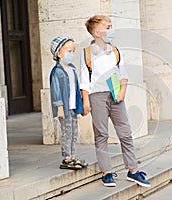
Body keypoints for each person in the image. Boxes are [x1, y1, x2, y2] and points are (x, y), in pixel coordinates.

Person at [79, 15, 151, 187]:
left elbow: (123, 73)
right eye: (108, 27)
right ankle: (106, 173)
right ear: (97, 32)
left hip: (116, 95)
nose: (112, 30)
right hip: (97, 96)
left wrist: (123, 91)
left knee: (125, 132)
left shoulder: (115, 51)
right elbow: (84, 79)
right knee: (101, 134)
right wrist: (86, 101)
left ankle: (133, 170)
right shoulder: (87, 53)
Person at [50, 36, 88, 170]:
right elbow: (55, 91)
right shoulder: (57, 72)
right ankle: (66, 158)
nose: (71, 54)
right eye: (68, 50)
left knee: (74, 131)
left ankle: (72, 156)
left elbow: (76, 89)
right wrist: (59, 107)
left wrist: (82, 104)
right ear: (59, 53)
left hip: (73, 106)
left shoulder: (72, 69)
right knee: (66, 131)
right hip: (64, 108)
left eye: (73, 50)